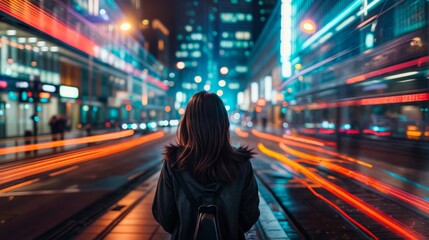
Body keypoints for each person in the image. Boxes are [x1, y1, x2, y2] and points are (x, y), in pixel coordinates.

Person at [152, 91, 260, 239]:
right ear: (223, 123)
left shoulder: (174, 162)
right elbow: (250, 213)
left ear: (188, 123)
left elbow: (163, 214)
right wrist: (229, 229)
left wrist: (185, 229)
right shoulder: (241, 163)